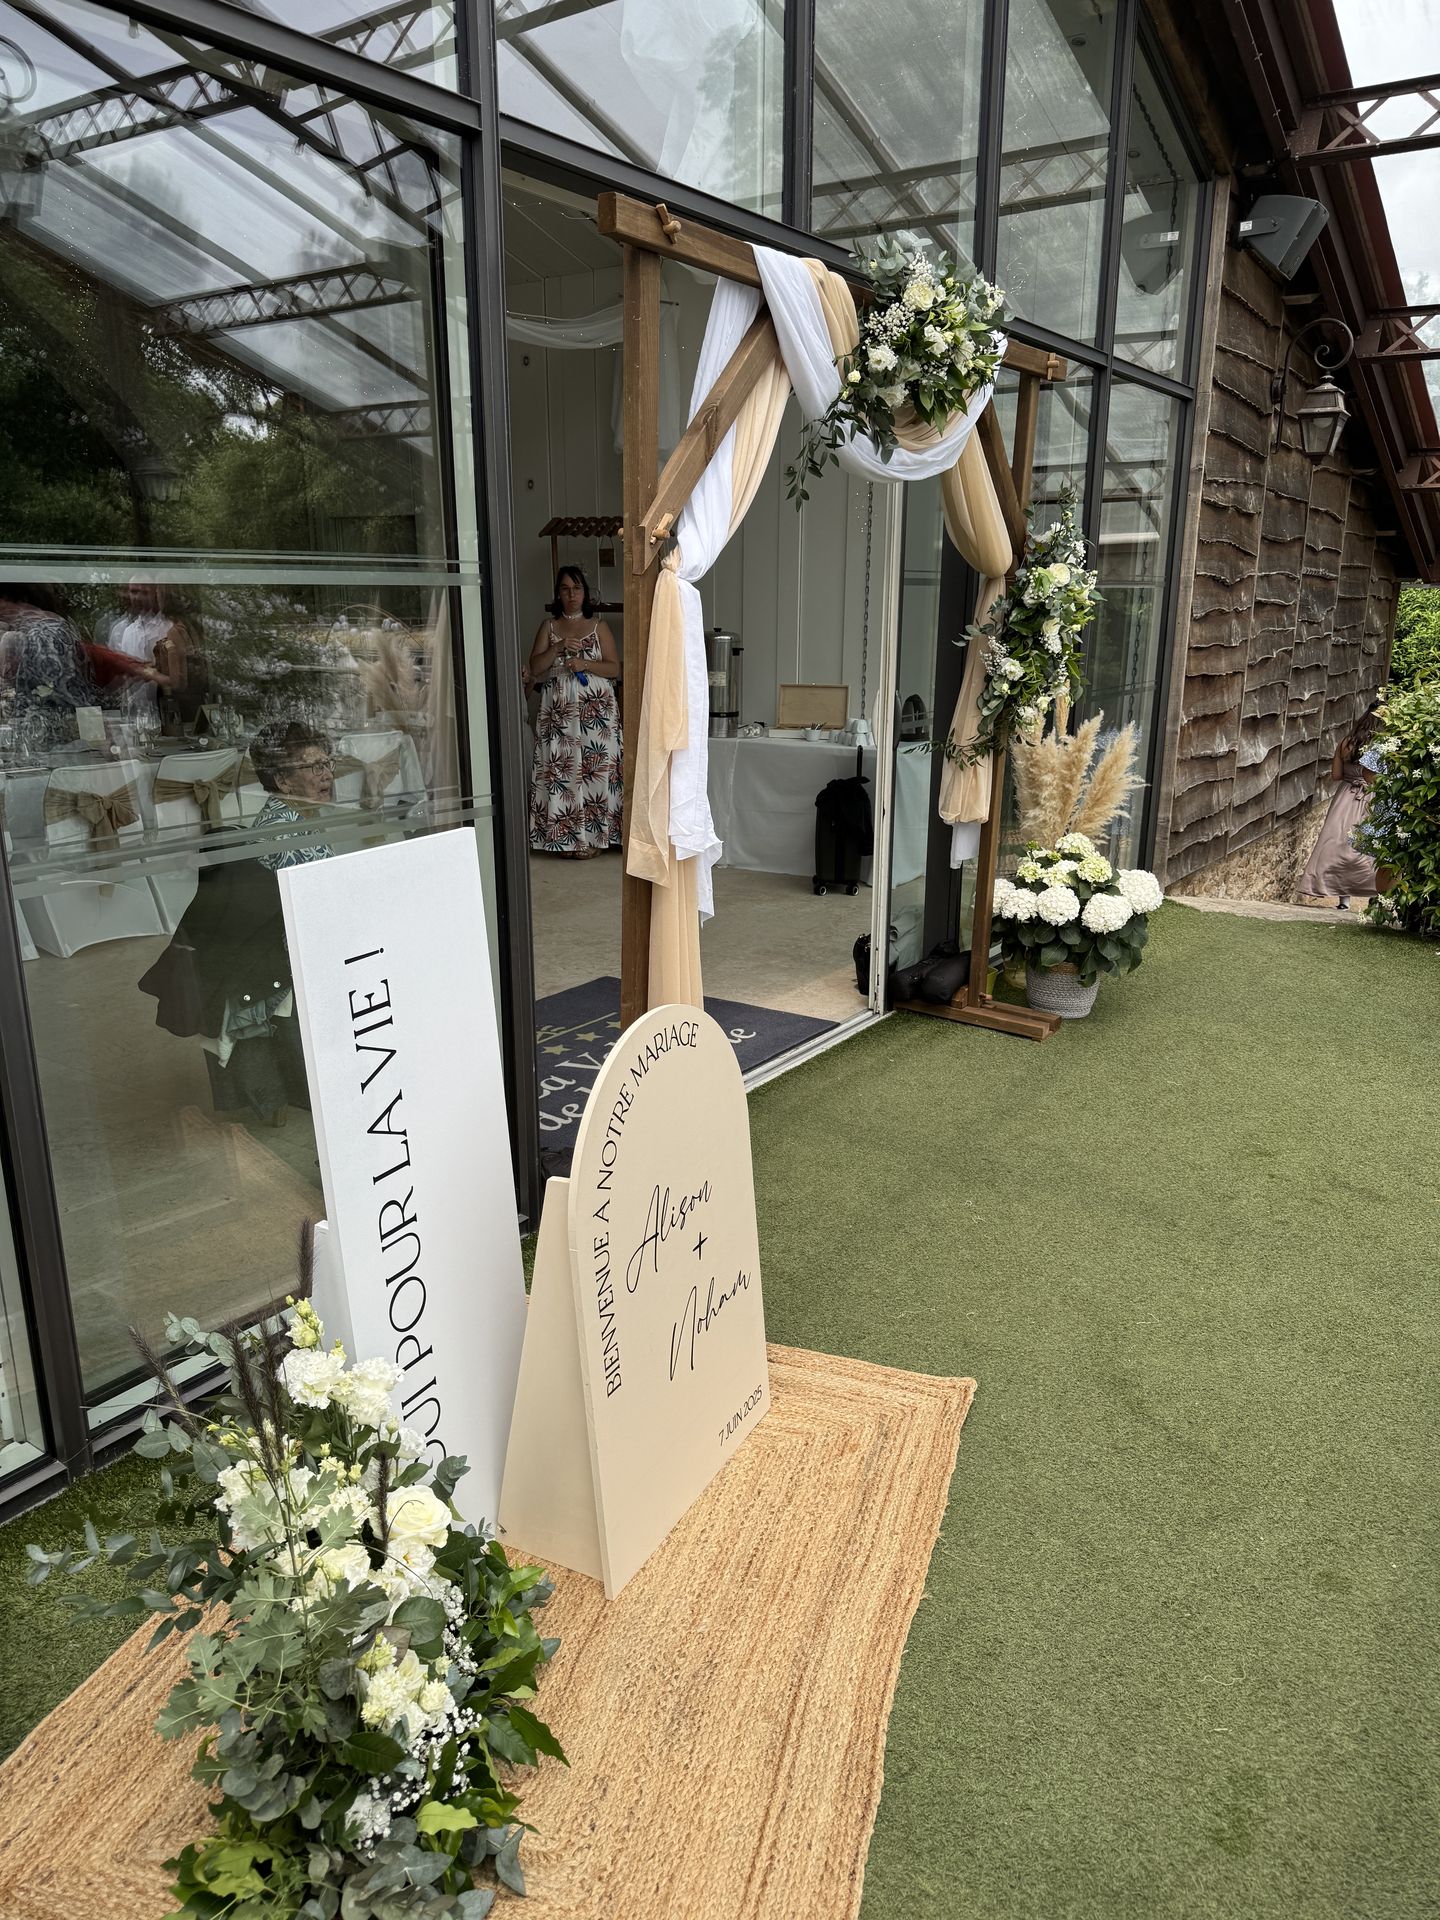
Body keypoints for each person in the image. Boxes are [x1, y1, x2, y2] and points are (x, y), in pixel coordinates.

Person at [139, 721, 336, 1126]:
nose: (326, 775)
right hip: (276, 958)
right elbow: (305, 919)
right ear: (281, 778)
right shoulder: (284, 834)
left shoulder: (300, 818)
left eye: (327, 763)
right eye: (313, 767)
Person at [527, 565, 623, 857]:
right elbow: (534, 668)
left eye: (577, 588)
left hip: (596, 711)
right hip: (559, 711)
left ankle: (594, 839)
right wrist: (556, 649)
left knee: (594, 769)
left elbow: (614, 668)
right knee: (561, 770)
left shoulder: (599, 627)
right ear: (558, 593)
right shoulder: (549, 627)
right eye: (566, 589)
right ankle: (565, 838)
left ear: (585, 593)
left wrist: (585, 664)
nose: (572, 595)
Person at [1298, 701, 1382, 910]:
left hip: (1344, 796)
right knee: (1370, 846)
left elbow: (1336, 775)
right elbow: (1372, 778)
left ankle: (1343, 901)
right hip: (1369, 798)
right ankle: (1376, 893)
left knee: (1337, 844)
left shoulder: (1346, 743)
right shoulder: (1380, 747)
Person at [0, 586, 99, 749]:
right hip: (62, 744)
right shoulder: (47, 626)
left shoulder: (43, 634)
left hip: (58, 747)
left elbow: (66, 695)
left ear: (6, 600)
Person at [101, 576, 191, 723]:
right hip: (135, 717)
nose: (138, 597)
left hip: (168, 714)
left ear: (155, 593)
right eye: (134, 592)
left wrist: (150, 673)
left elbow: (180, 682)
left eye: (144, 592)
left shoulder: (168, 628)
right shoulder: (126, 632)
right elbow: (118, 677)